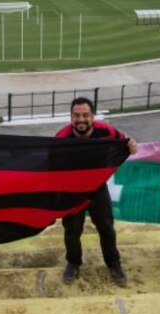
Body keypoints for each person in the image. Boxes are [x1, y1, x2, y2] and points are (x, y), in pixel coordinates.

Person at [55, 97, 137, 287]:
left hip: (97, 187)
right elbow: (50, 163)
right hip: (72, 190)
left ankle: (114, 263)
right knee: (72, 231)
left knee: (106, 228)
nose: (81, 119)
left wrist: (132, 146)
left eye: (85, 115)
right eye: (76, 116)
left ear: (93, 116)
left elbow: (128, 143)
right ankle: (73, 262)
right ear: (71, 117)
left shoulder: (106, 130)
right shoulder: (62, 137)